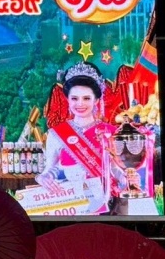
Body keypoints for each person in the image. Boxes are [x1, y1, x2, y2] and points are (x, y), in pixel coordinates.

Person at [36, 62, 118, 214]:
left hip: (108, 208)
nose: (80, 104)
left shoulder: (111, 133)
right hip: (72, 207)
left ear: (96, 100)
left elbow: (118, 172)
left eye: (86, 98)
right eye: (74, 98)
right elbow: (53, 169)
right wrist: (44, 178)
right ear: (67, 99)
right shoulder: (56, 134)